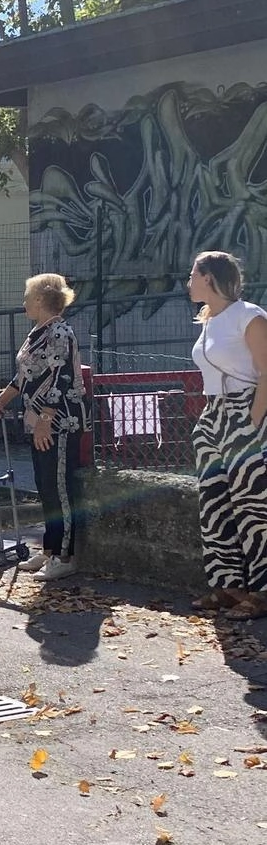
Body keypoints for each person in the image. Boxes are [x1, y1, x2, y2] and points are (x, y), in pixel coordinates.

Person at [0, 273, 89, 581]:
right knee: (45, 487)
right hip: (40, 423)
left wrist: (45, 421)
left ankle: (65, 556)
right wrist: (0, 403)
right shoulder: (37, 333)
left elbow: (62, 378)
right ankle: (50, 550)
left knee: (59, 488)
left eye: (27, 296)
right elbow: (23, 378)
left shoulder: (59, 332)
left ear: (42, 299)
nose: (24, 302)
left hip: (60, 423)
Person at [186, 251, 267, 620]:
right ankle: (227, 586)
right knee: (213, 506)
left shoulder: (249, 316)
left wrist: (251, 420)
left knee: (253, 506)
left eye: (193, 275)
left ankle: (262, 592)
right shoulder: (208, 320)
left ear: (209, 278)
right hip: (212, 415)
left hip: (244, 412)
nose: (188, 282)